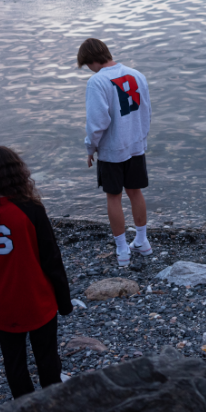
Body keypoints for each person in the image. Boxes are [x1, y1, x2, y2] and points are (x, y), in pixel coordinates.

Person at [0, 146, 73, 399]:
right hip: (37, 301)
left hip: (0, 305)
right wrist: (64, 303)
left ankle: (25, 406)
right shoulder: (31, 210)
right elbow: (52, 260)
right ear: (17, 175)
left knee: (14, 364)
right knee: (47, 360)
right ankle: (54, 404)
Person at [78, 38, 153, 268]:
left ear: (91, 60)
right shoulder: (136, 74)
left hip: (112, 149)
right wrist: (141, 138)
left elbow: (97, 122)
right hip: (136, 145)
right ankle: (142, 242)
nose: (88, 69)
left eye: (86, 65)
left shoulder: (97, 81)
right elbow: (146, 110)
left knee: (114, 197)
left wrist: (90, 148)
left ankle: (122, 250)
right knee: (135, 192)